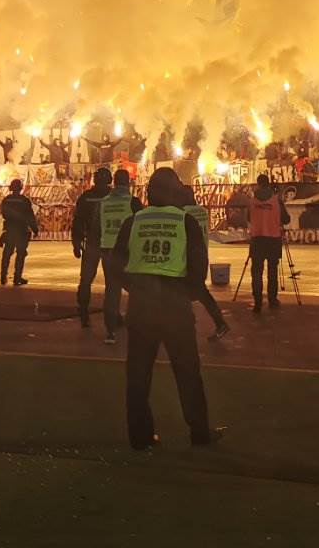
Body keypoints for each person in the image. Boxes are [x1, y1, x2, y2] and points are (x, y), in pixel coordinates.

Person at [110, 166, 222, 450]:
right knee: (187, 372)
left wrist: (135, 288)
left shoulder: (133, 222)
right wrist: (185, 293)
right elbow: (198, 267)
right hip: (175, 306)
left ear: (148, 193)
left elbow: (116, 263)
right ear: (175, 192)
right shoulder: (185, 222)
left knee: (138, 375)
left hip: (141, 305)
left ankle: (140, 437)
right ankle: (199, 433)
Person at [98, 168, 142, 344]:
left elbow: (96, 225)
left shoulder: (104, 202)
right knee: (137, 289)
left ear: (114, 182)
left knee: (112, 290)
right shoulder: (132, 202)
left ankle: (110, 332)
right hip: (128, 251)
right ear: (128, 182)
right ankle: (136, 325)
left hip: (108, 250)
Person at [182, 185, 229, 341]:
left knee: (187, 292)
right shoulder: (202, 211)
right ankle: (218, 323)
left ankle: (190, 326)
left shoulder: (183, 213)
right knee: (199, 292)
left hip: (189, 257)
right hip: (202, 255)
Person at [72, 167, 114, 329]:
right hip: (109, 243)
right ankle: (112, 313)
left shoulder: (86, 197)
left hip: (92, 241)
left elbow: (78, 221)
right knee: (111, 281)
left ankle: (83, 311)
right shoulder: (114, 197)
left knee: (86, 279)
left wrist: (76, 242)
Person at [245, 173, 289, 313]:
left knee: (256, 272)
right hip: (273, 239)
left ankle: (258, 302)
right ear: (268, 183)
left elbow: (249, 218)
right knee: (272, 271)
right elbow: (286, 219)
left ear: (258, 184)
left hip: (257, 239)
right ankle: (272, 300)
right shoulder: (276, 200)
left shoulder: (252, 201)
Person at [0, 178, 39, 285]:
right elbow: (30, 216)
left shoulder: (6, 200)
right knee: (20, 254)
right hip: (22, 231)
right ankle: (17, 278)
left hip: (10, 230)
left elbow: (3, 214)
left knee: (7, 253)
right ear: (21, 188)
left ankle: (3, 276)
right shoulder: (25, 200)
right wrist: (35, 229)